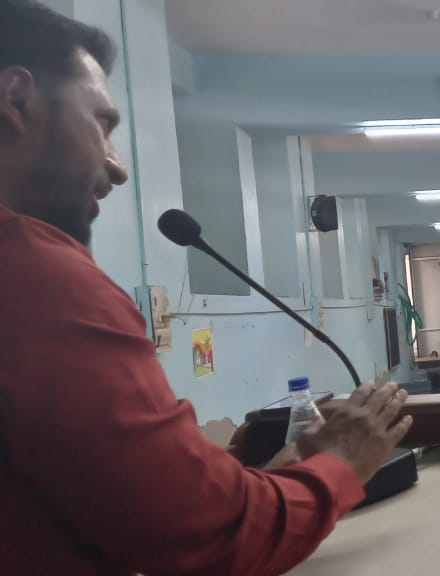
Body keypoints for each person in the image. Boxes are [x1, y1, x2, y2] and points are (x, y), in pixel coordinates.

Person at [0, 8, 413, 570]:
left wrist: (284, 473)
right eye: (101, 123)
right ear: (16, 98)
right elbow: (208, 538)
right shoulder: (34, 275)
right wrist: (341, 463)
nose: (117, 168)